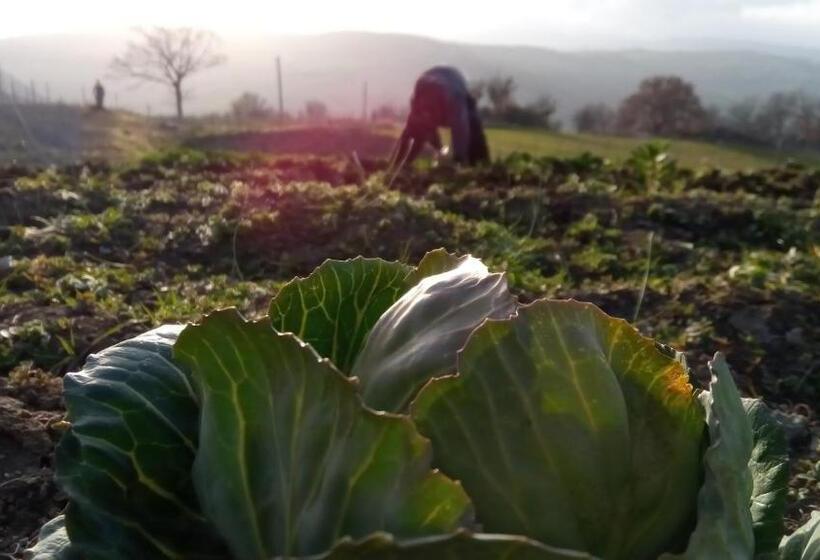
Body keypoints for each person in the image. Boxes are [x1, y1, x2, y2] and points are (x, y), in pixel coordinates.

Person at [390, 66, 489, 169]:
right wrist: (395, 164)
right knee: (417, 131)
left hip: (454, 82)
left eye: (430, 111)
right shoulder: (417, 104)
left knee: (474, 139)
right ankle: (402, 165)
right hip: (431, 82)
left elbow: (461, 133)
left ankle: (483, 169)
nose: (427, 115)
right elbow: (408, 136)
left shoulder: (454, 101)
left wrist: (458, 159)